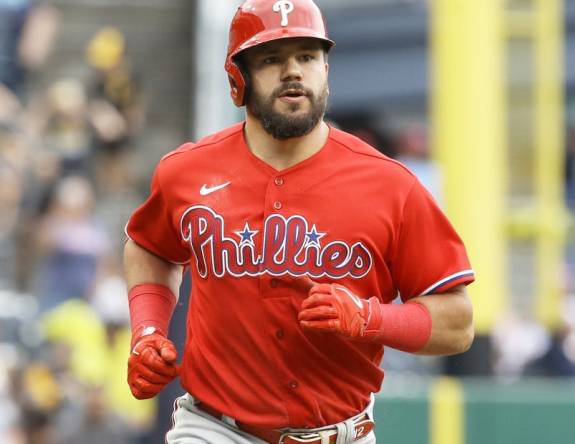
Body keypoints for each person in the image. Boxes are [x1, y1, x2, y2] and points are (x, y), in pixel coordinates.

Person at [122, 1, 475, 443]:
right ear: (239, 78)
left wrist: (371, 318)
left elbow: (458, 323)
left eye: (307, 56)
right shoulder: (187, 172)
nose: (293, 71)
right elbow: (148, 247)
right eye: (272, 59)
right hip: (215, 428)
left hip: (340, 433)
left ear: (326, 69)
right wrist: (148, 330)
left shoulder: (390, 184)